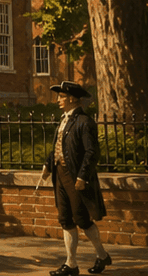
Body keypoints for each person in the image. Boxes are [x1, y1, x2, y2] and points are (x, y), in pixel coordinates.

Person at [43, 81, 111, 276]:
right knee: (65, 219)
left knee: (82, 219)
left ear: (72, 98)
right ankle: (71, 264)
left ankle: (101, 255)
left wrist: (82, 176)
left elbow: (92, 152)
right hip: (60, 175)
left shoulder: (84, 121)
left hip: (75, 176)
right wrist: (48, 164)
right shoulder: (64, 120)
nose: (58, 100)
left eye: (61, 97)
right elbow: (60, 146)